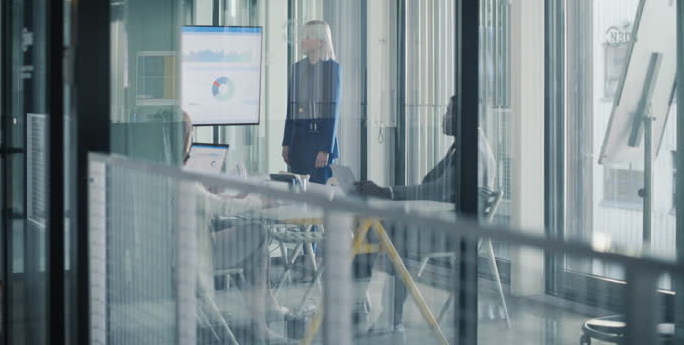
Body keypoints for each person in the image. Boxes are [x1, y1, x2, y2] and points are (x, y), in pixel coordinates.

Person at [354, 95, 497, 333]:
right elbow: (432, 182)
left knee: (386, 232)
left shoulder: (472, 149)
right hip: (447, 222)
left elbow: (438, 190)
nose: (443, 117)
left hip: (457, 232)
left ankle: (387, 315)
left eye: (449, 112)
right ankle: (364, 305)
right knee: (373, 228)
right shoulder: (464, 144)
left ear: (462, 118)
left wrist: (386, 192)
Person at [182, 111, 286, 343]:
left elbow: (210, 203)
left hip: (185, 250)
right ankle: (262, 319)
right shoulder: (182, 178)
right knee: (258, 232)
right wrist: (259, 201)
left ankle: (260, 322)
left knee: (257, 252)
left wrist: (219, 196)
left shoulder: (163, 170)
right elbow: (223, 209)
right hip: (197, 256)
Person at [282, 20, 341, 185]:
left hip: (320, 145)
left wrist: (325, 148)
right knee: (297, 192)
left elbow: (332, 112)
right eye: (303, 36)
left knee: (320, 193)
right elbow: (291, 109)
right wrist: (286, 142)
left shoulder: (332, 69)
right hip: (298, 142)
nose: (302, 41)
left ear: (320, 41)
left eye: (307, 37)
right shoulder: (297, 68)